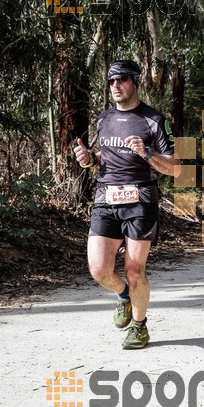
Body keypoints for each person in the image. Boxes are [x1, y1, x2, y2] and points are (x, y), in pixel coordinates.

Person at [73, 60, 176, 349]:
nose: (116, 86)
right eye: (111, 82)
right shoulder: (103, 120)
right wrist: (89, 159)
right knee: (99, 269)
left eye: (122, 80)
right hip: (106, 199)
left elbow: (175, 167)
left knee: (134, 269)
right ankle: (123, 296)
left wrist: (147, 153)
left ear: (135, 82)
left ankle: (139, 326)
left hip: (140, 200)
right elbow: (103, 161)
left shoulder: (154, 120)